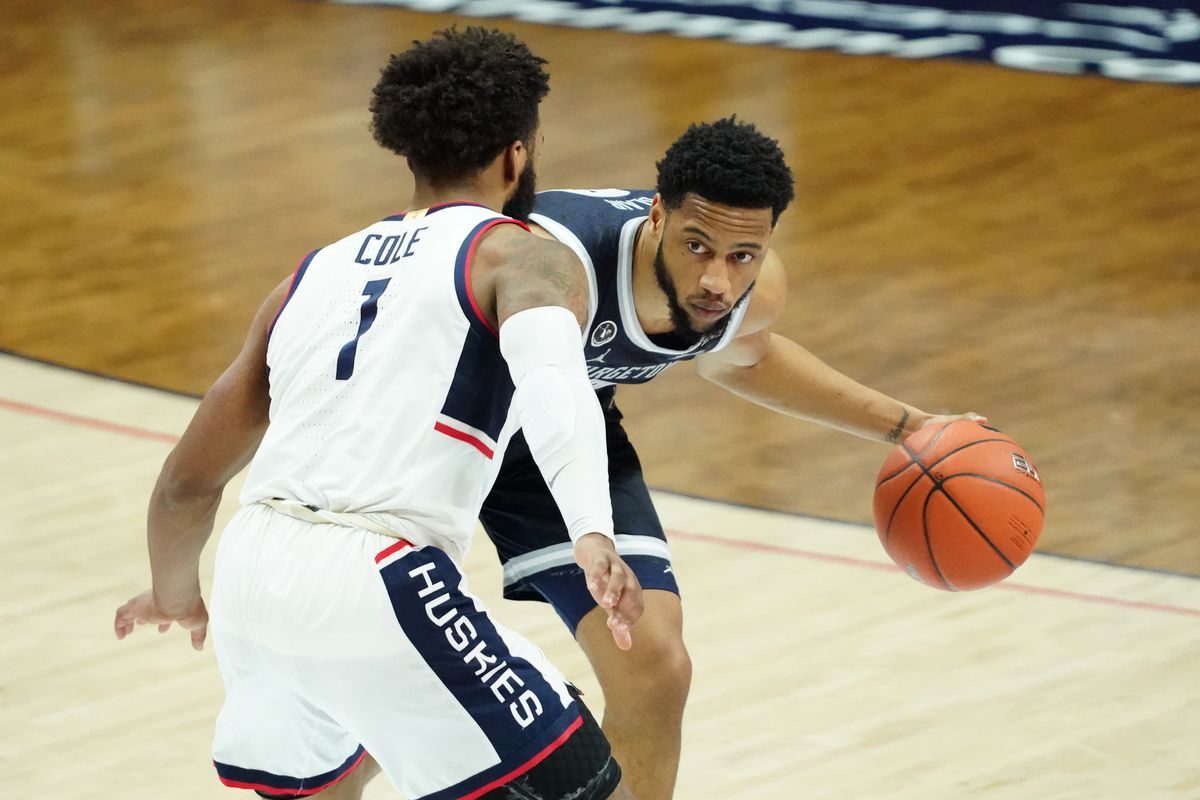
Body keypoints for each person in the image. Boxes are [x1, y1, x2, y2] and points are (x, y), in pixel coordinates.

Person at [112, 27, 643, 800]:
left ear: (409, 153)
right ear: (516, 154)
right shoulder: (520, 255)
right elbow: (555, 383)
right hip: (380, 578)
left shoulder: (312, 272)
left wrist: (173, 590)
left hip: (252, 574)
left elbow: (184, 486)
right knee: (583, 788)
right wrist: (592, 527)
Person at [477, 117, 985, 800]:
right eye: (698, 246)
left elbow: (744, 360)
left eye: (743, 255)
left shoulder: (752, 291)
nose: (718, 279)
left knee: (655, 665)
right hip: (441, 421)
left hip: (564, 427)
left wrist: (909, 427)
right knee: (377, 654)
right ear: (656, 216)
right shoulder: (559, 262)